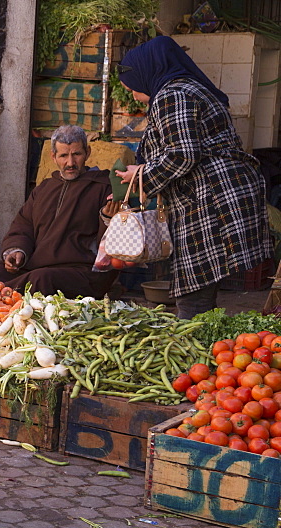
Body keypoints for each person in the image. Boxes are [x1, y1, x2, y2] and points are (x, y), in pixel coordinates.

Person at [115, 36, 272, 319]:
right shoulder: (187, 88)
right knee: (197, 289)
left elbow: (183, 154)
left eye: (134, 86)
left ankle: (195, 353)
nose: (133, 94)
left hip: (210, 200)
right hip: (214, 194)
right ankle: (207, 347)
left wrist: (142, 176)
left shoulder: (172, 95)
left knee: (192, 294)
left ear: (148, 72)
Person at [0, 125, 119, 298]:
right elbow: (24, 225)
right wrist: (17, 251)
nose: (70, 163)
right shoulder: (44, 188)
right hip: (36, 264)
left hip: (81, 271)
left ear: (87, 153)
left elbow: (112, 246)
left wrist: (107, 220)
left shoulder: (104, 187)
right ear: (53, 157)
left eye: (77, 154)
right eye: (63, 156)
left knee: (39, 280)